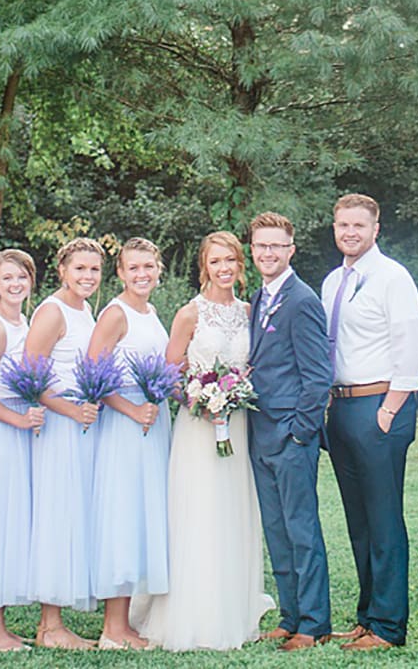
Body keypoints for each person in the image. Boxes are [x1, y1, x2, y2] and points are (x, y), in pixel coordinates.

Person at [132, 230, 276, 650]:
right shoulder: (189, 313)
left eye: (231, 259)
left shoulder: (250, 310)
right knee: (197, 512)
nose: (224, 268)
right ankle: (192, 611)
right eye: (216, 261)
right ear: (204, 266)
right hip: (198, 428)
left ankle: (233, 604)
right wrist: (197, 398)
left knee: (232, 510)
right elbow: (169, 373)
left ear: (240, 264)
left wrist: (233, 397)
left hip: (237, 426)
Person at [318, 193, 418, 651]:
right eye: (343, 225)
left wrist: (387, 410)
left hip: (379, 404)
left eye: (359, 225)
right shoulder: (331, 282)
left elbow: (411, 351)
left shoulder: (392, 278)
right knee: (357, 520)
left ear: (376, 229)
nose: (350, 233)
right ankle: (366, 615)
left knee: (383, 518)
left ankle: (388, 625)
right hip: (341, 408)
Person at [247, 211, 334, 650]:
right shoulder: (260, 297)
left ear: (290, 250)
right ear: (253, 250)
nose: (268, 253)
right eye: (261, 246)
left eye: (276, 246)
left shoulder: (302, 300)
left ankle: (314, 623)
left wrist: (301, 432)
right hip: (259, 433)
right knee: (277, 530)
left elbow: (318, 376)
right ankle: (289, 614)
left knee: (302, 529)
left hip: (290, 435)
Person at [89, 239, 173, 649]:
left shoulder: (151, 313)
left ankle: (127, 619)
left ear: (159, 270)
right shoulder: (114, 314)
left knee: (142, 516)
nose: (142, 274)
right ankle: (113, 627)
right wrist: (132, 409)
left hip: (152, 426)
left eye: (149, 266)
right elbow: (94, 378)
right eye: (134, 268)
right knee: (121, 518)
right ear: (120, 273)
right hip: (124, 428)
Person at [25, 237, 106, 650]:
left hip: (82, 424)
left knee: (75, 512)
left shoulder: (85, 309)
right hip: (59, 426)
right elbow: (29, 378)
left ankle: (56, 622)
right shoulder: (52, 311)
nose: (88, 277)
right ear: (62, 271)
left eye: (94, 270)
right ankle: (50, 624)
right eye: (80, 269)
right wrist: (71, 411)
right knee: (57, 515)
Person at [0, 249, 45, 654]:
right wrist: (17, 421)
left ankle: (2, 625)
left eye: (22, 277)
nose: (15, 284)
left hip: (21, 429)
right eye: (7, 278)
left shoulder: (25, 322)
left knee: (13, 522)